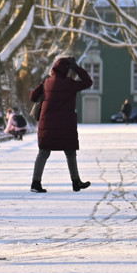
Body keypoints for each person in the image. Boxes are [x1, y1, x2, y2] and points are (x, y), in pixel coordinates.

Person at [29, 56, 94, 193]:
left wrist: (43, 84)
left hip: (47, 124)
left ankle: (35, 183)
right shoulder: (70, 84)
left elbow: (33, 97)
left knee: (43, 152)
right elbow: (88, 82)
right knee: (70, 152)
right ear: (67, 69)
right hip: (65, 125)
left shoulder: (47, 82)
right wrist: (77, 68)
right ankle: (76, 182)